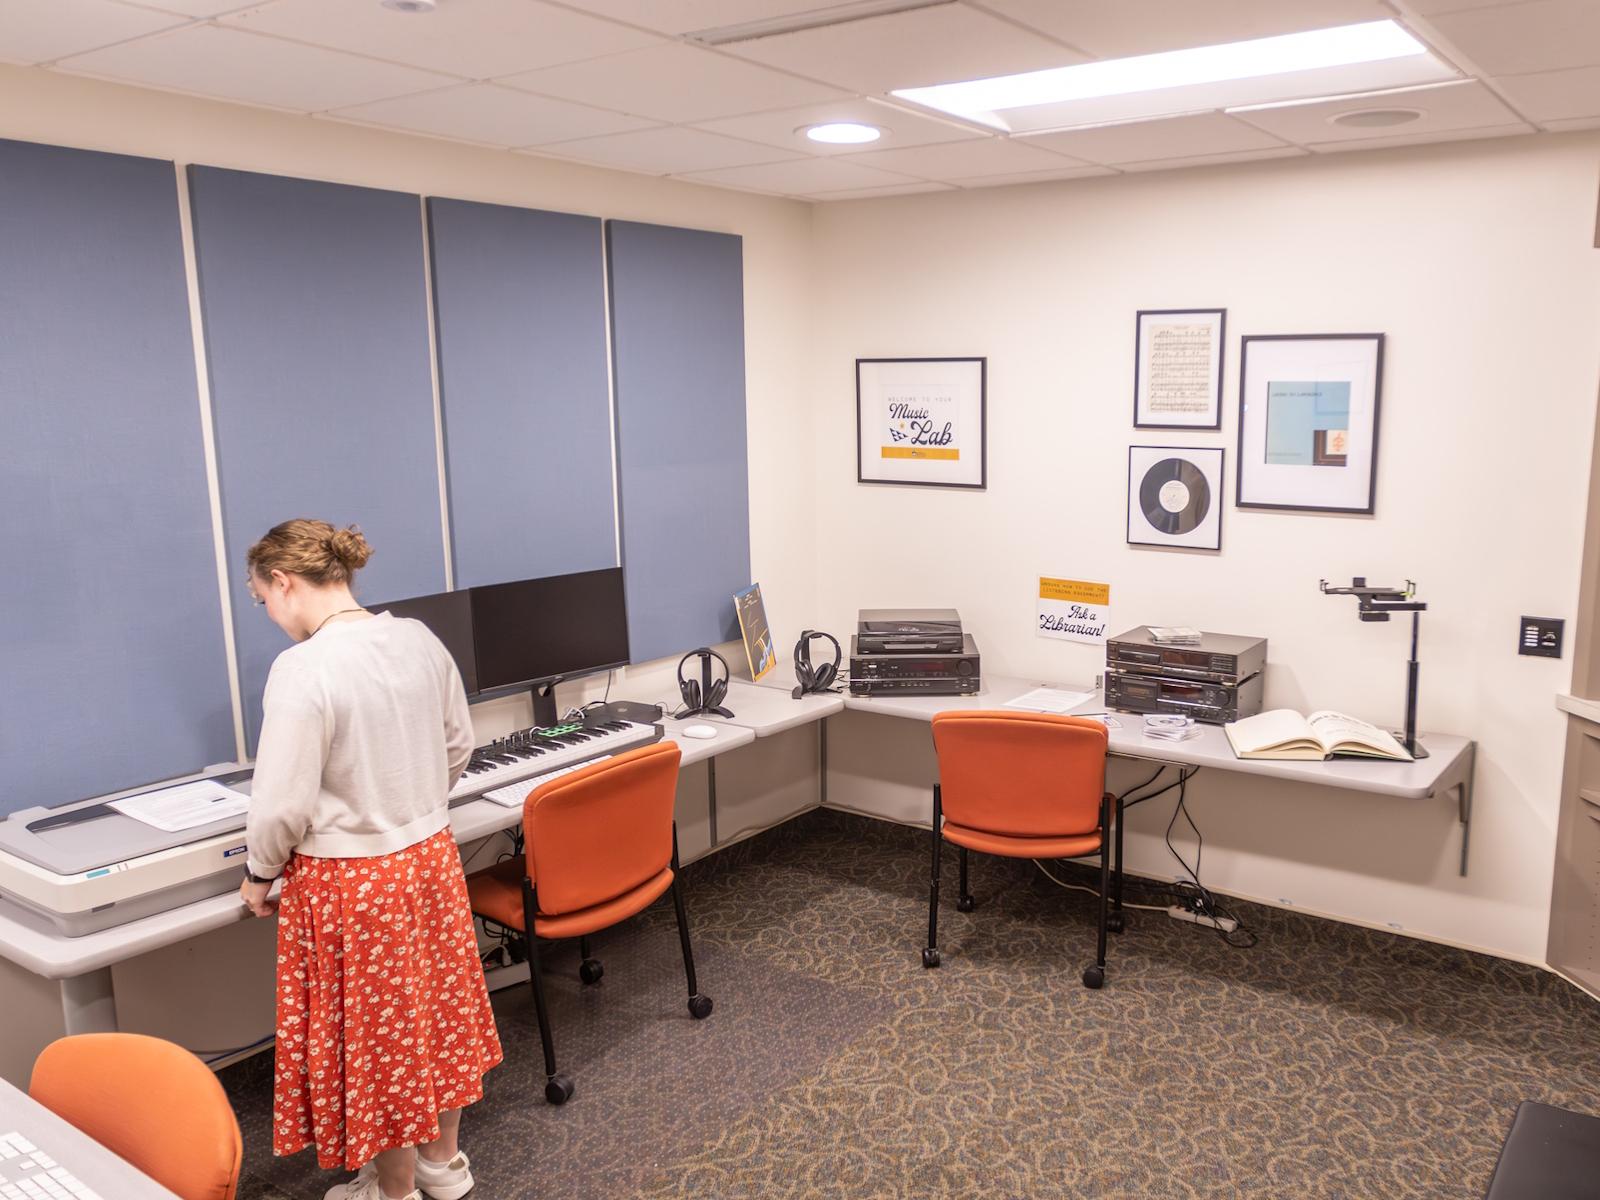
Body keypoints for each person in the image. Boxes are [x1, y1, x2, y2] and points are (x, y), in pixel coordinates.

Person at [238, 519, 502, 1200]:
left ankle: (393, 1191)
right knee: (438, 1017)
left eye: (260, 598)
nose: (267, 613)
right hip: (431, 860)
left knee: (378, 1041)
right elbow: (458, 744)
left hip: (352, 881)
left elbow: (279, 806)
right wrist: (408, 802)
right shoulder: (417, 639)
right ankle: (443, 1166)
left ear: (284, 582)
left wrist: (260, 873)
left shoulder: (303, 669)